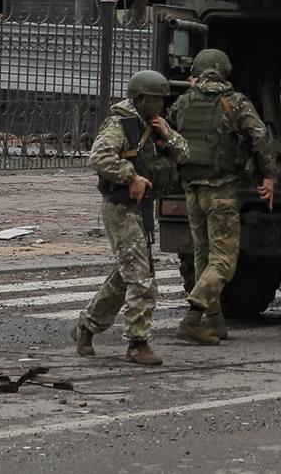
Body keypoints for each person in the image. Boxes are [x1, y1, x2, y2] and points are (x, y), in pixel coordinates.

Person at [73, 70, 190, 366]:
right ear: (141, 99)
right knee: (141, 278)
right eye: (156, 99)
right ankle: (137, 343)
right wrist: (130, 177)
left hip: (142, 210)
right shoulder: (120, 125)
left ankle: (86, 327)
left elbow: (186, 154)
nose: (160, 105)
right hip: (121, 208)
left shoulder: (154, 126)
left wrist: (168, 134)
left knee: (126, 276)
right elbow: (99, 158)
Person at [167, 47, 278, 344]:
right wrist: (268, 176)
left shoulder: (182, 102)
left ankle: (215, 323)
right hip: (221, 192)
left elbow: (169, 133)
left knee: (203, 257)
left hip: (192, 191)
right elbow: (260, 137)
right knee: (225, 261)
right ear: (223, 71)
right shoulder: (235, 102)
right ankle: (193, 317)